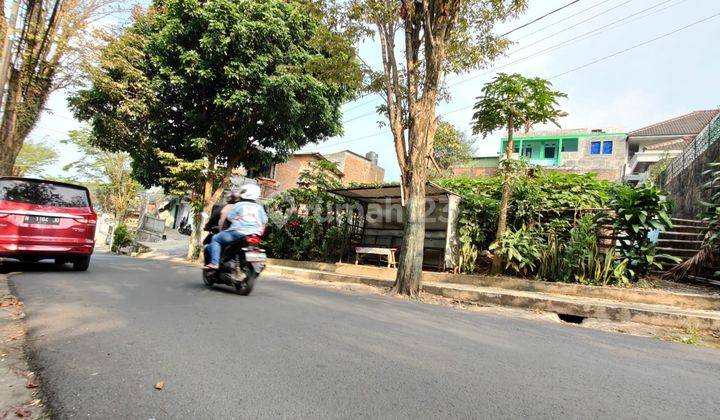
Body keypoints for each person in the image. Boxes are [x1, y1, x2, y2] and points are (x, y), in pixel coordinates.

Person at [204, 184, 267, 270]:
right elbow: (264, 221)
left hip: (238, 232)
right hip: (255, 234)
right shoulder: (259, 207)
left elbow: (230, 217)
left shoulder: (238, 205)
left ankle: (214, 263)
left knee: (215, 238)